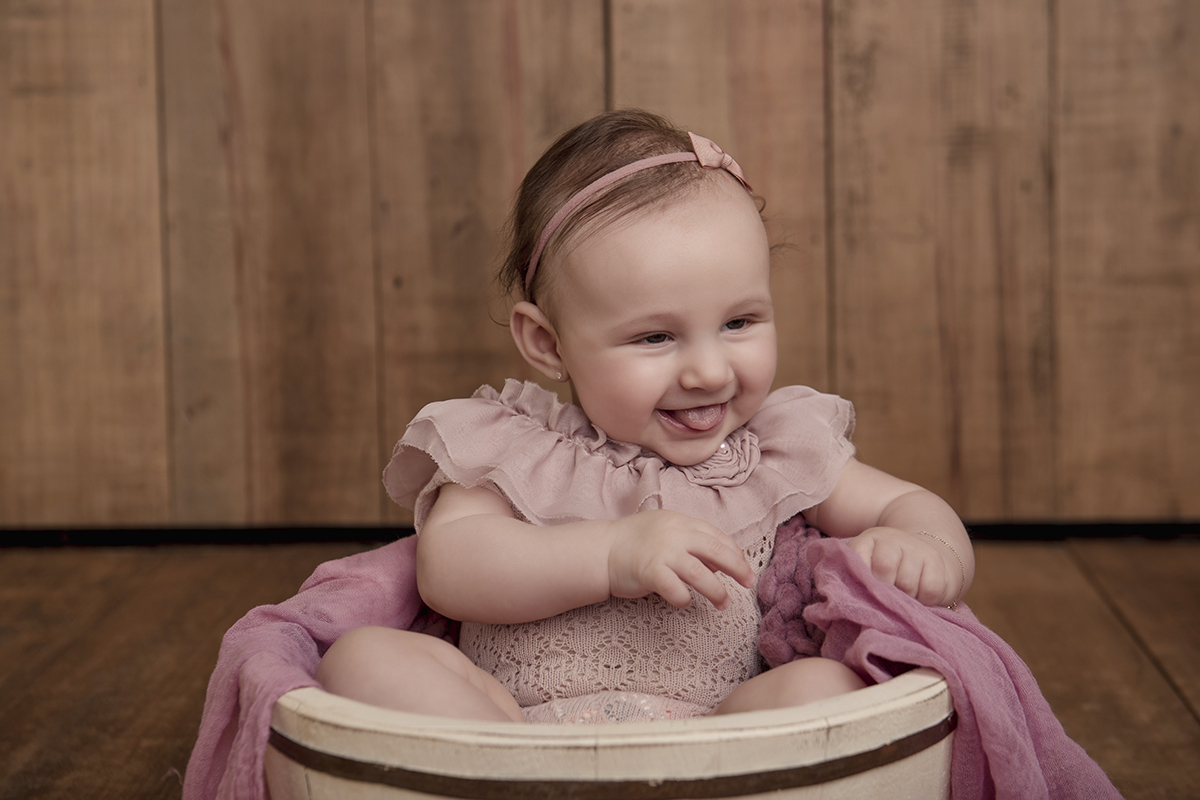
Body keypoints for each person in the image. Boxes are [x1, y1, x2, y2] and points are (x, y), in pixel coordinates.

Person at [315, 109, 974, 724]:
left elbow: (906, 503)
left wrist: (930, 547)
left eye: (739, 322)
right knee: (360, 658)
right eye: (656, 338)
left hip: (715, 735)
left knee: (827, 690)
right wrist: (612, 554)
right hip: (513, 729)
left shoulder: (771, 452)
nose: (710, 372)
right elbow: (450, 567)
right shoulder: (515, 446)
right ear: (548, 344)